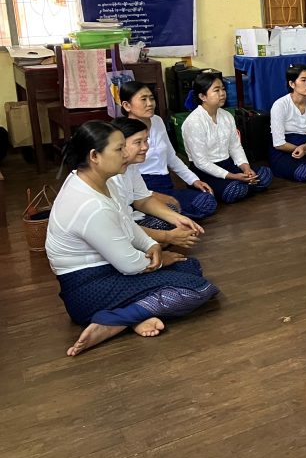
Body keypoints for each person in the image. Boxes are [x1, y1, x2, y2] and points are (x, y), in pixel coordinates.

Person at [45, 122, 219, 357]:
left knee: (190, 267)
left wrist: (152, 244)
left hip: (108, 272)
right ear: (94, 156)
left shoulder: (97, 181)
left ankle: (133, 316)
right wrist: (161, 260)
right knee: (199, 288)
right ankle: (114, 320)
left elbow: (127, 223)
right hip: (88, 290)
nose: (127, 153)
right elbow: (130, 265)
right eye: (119, 149)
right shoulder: (90, 205)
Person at [119, 81, 217, 221]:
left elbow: (171, 157)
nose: (150, 103)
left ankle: (166, 217)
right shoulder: (123, 132)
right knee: (168, 210)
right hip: (141, 187)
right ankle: (161, 217)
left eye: (151, 98)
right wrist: (149, 195)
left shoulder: (157, 121)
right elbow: (122, 175)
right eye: (143, 99)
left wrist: (194, 180)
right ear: (127, 105)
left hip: (165, 183)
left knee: (206, 201)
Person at [109, 117, 205, 250]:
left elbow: (143, 200)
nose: (145, 147)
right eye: (138, 142)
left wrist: (178, 219)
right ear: (120, 145)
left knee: (171, 210)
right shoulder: (110, 175)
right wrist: (167, 236)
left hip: (129, 221)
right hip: (118, 230)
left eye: (146, 140)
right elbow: (119, 226)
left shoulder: (130, 165)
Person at [182, 73, 273, 203]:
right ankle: (241, 186)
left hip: (228, 165)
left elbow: (235, 147)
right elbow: (201, 162)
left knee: (265, 174)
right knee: (234, 190)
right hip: (205, 171)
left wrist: (246, 169)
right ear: (202, 96)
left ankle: (243, 184)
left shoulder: (227, 116)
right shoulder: (193, 122)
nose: (222, 93)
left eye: (223, 89)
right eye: (216, 90)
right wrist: (233, 176)